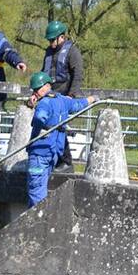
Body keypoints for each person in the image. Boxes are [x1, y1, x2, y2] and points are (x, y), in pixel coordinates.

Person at [26, 71, 96, 208]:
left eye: (37, 89)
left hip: (40, 151)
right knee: (41, 186)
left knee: (36, 190)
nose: (35, 93)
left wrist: (39, 122)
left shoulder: (44, 103)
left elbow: (40, 117)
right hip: (54, 152)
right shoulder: (61, 99)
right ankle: (36, 218)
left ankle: (39, 220)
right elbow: (77, 105)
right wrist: (92, 99)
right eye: (34, 90)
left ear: (47, 86)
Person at [36, 20, 84, 172]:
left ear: (62, 37)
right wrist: (37, 93)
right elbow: (44, 74)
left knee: (59, 128)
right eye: (49, 40)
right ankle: (55, 160)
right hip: (50, 96)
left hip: (64, 96)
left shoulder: (72, 52)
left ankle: (66, 162)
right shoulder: (48, 52)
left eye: (52, 40)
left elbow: (78, 74)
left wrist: (71, 95)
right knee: (49, 128)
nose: (51, 43)